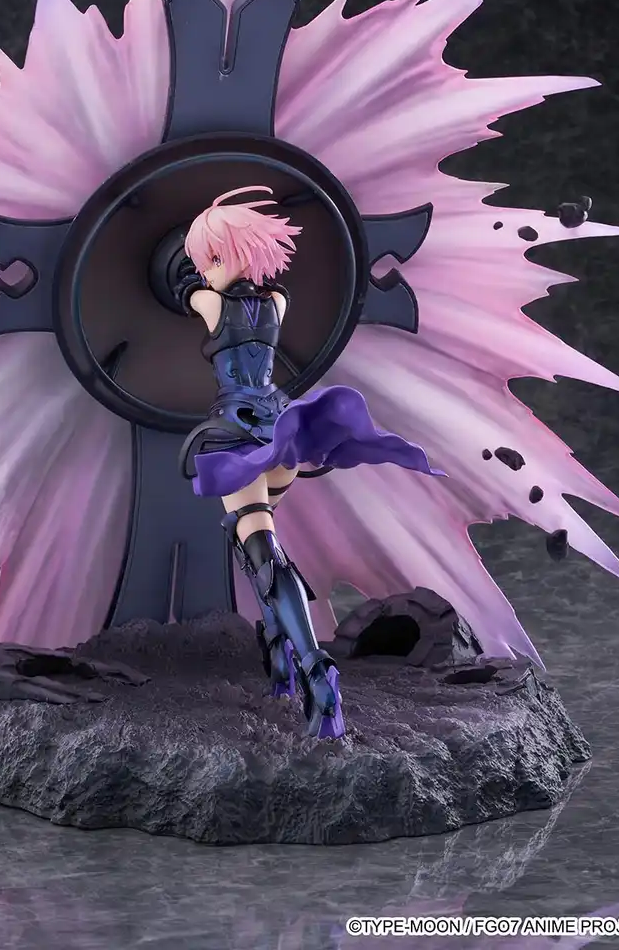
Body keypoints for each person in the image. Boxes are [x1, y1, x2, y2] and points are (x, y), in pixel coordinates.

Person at [177, 185, 442, 739]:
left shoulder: (210, 304)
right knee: (257, 550)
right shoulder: (278, 304)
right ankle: (280, 664)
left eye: (214, 258)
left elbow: (182, 289)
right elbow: (244, 289)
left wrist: (194, 278)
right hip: (282, 436)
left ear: (233, 255)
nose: (206, 272)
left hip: (238, 439)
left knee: (264, 554)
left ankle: (317, 673)